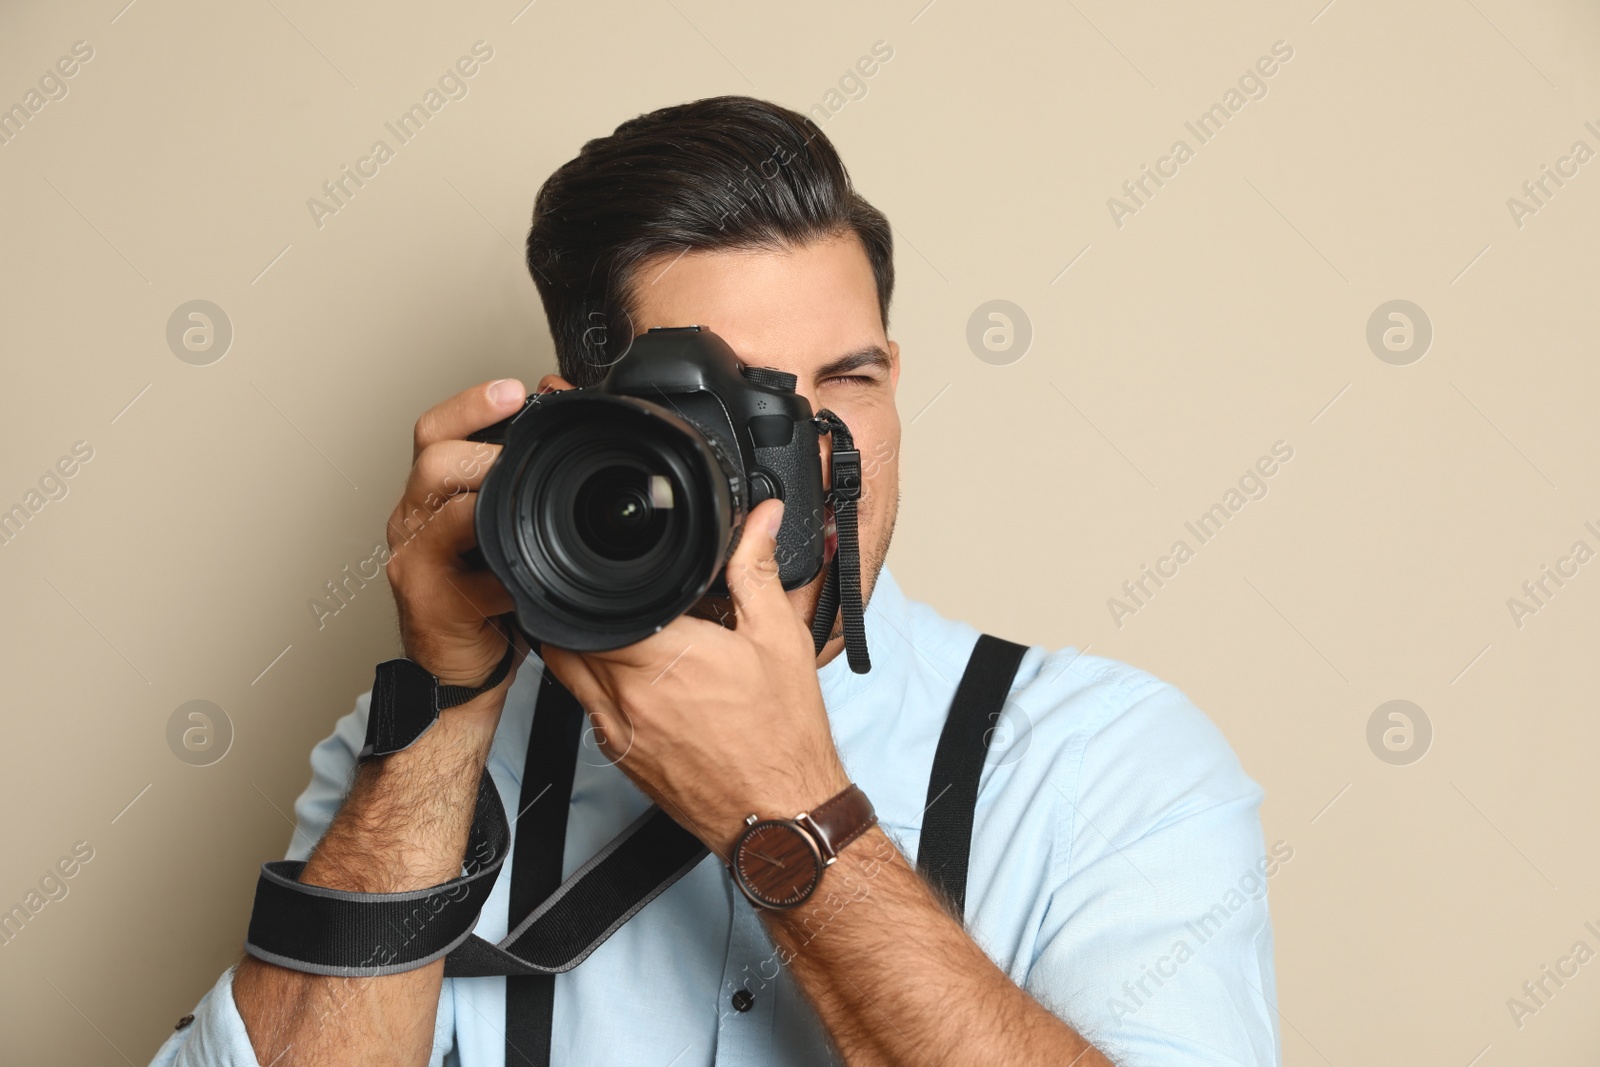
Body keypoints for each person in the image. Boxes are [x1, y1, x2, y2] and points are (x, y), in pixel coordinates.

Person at [151, 95, 1280, 1067]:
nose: (810, 451)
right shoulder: (421, 763)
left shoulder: (1103, 759)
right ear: (577, 428)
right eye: (736, 405)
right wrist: (443, 713)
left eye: (848, 377)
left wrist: (791, 809)